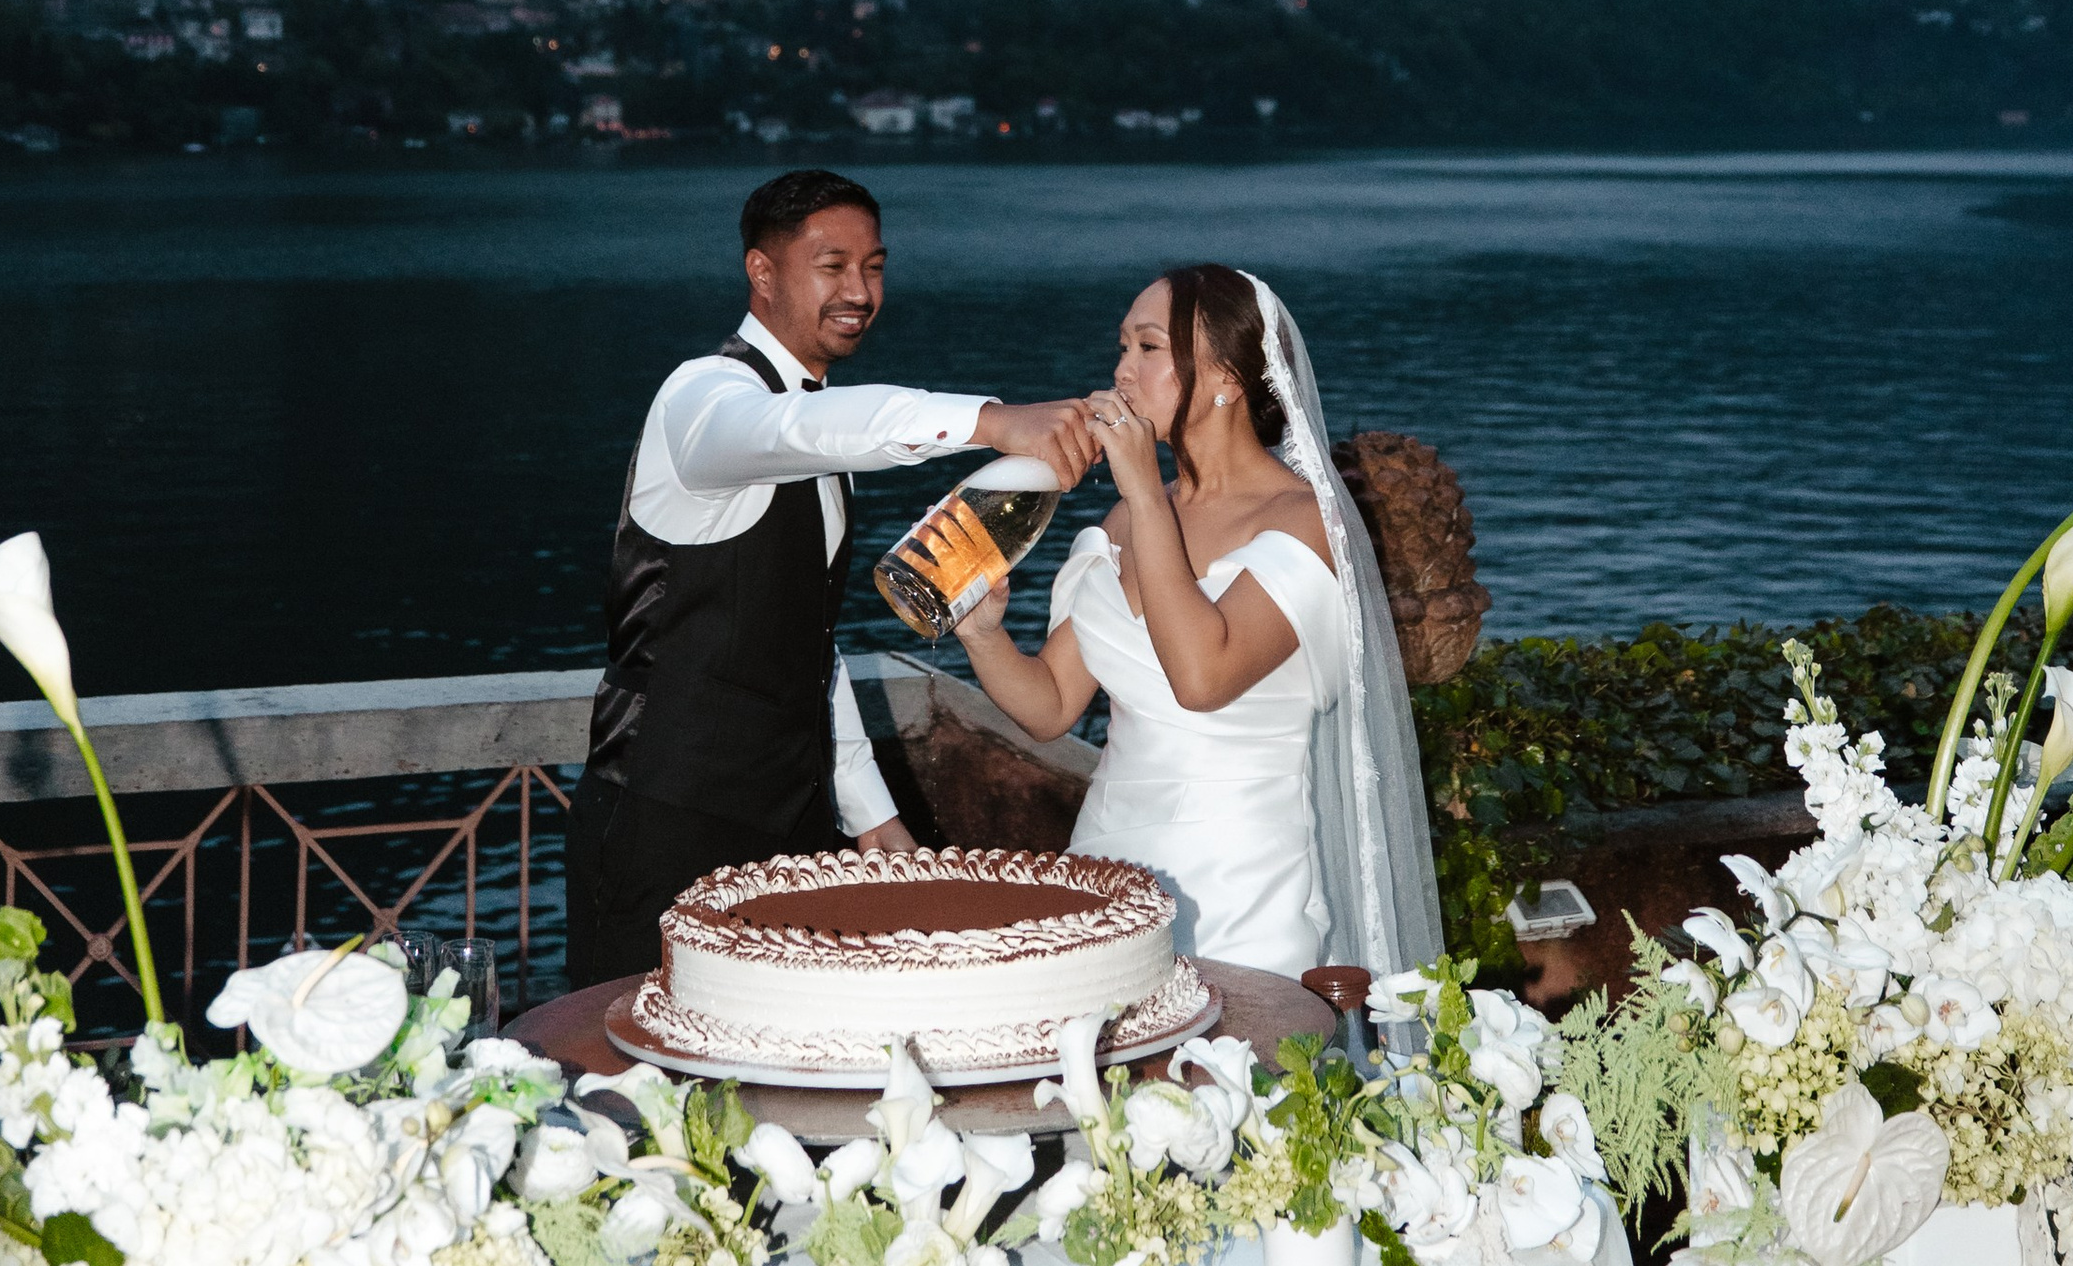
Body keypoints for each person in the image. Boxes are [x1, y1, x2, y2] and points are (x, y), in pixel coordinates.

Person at [568, 166, 1094, 981]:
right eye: (834, 265)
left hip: (795, 818)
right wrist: (992, 421)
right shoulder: (703, 400)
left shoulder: (820, 439)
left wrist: (871, 813)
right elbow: (801, 426)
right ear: (763, 272)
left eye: (875, 266)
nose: (859, 289)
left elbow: (811, 642)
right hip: (666, 811)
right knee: (641, 1069)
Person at [955, 261, 1444, 979]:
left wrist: (1145, 490)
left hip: (1240, 884)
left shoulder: (1304, 521)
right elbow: (1051, 706)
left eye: (1148, 349)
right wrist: (981, 631)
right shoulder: (1125, 519)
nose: (1122, 371)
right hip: (1105, 864)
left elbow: (1202, 676)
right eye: (1122, 347)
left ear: (1228, 380)